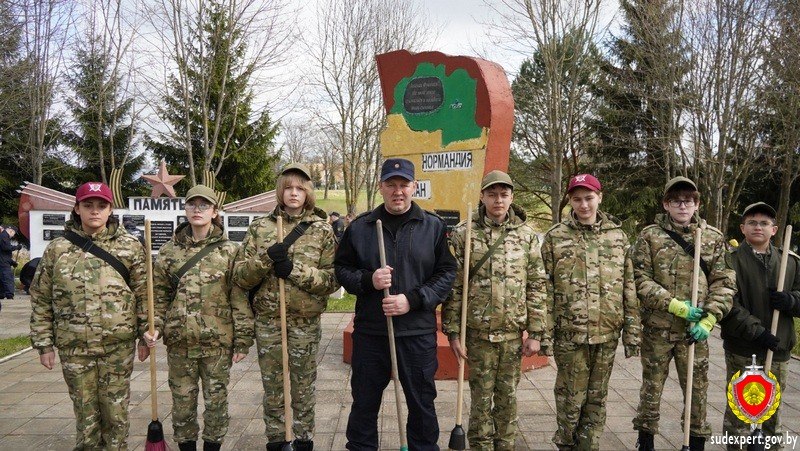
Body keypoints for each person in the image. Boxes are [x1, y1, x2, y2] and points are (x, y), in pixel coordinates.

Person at [335, 157, 457, 451]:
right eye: (391, 184)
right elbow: (342, 270)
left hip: (417, 333)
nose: (398, 191)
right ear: (381, 187)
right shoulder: (361, 227)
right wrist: (369, 280)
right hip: (372, 332)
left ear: (414, 187)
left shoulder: (433, 227)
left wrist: (412, 300)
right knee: (364, 402)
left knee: (422, 402)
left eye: (404, 184)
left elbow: (446, 273)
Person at [29, 181, 148, 450]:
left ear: (110, 210)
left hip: (116, 346)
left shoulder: (129, 247)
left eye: (101, 205)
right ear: (77, 209)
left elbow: (144, 294)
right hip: (75, 347)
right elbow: (41, 298)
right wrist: (44, 344)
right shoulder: (57, 249)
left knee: (116, 412)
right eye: (88, 205)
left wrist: (145, 335)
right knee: (85, 413)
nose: (95, 211)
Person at [232, 163, 339, 451]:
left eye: (300, 189)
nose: (293, 193)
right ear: (280, 191)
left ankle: (303, 440)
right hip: (269, 322)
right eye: (288, 187)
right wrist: (266, 258)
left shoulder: (321, 230)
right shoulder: (260, 228)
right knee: (273, 389)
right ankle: (277, 440)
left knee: (303, 387)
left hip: (305, 323)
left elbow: (332, 281)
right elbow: (240, 276)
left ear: (308, 193)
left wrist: (294, 270)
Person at [442, 170, 549, 450]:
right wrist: (453, 332)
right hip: (478, 335)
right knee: (480, 400)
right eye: (492, 194)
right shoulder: (464, 233)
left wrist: (536, 332)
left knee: (507, 399)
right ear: (482, 196)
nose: (498, 200)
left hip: (512, 335)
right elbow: (454, 287)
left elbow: (537, 285)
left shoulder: (526, 236)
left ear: (512, 197)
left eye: (503, 194)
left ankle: (505, 445)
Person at [143, 184, 254, 451]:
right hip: (180, 342)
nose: (197, 209)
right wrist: (154, 326)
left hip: (217, 343)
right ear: (185, 209)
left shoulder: (230, 251)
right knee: (182, 405)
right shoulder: (169, 251)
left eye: (204, 205)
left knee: (216, 404)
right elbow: (158, 295)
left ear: (214, 212)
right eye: (192, 204)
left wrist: (243, 340)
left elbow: (239, 297)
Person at [631, 176, 736, 451]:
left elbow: (724, 282)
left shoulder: (712, 238)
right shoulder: (650, 236)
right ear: (666, 204)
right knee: (651, 387)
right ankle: (646, 440)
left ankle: (696, 440)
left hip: (694, 332)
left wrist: (710, 317)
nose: (682, 206)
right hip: (658, 328)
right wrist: (673, 304)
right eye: (676, 201)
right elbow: (639, 278)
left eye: (688, 201)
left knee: (696, 389)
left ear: (696, 204)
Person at [540, 174, 641, 451]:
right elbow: (544, 289)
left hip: (606, 334)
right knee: (570, 399)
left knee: (597, 400)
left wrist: (632, 333)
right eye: (577, 199)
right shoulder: (555, 237)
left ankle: (589, 446)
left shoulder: (617, 237)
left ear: (600, 197)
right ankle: (566, 444)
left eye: (589, 198)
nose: (584, 205)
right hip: (569, 335)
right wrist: (544, 333)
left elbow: (629, 287)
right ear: (570, 201)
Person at [720, 202, 800, 450]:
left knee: (771, 413)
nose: (758, 227)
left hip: (778, 349)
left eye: (764, 223)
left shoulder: (790, 261)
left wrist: (791, 301)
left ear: (774, 230)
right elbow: (727, 304)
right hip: (743, 349)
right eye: (752, 222)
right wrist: (757, 331)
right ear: (742, 228)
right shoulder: (730, 261)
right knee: (740, 413)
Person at [0, 225, 22, 300]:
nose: (13, 235)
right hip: (3, 263)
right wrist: (16, 247)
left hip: (3, 261)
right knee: (7, 278)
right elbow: (6, 248)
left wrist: (12, 262)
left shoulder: (3, 236)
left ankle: (1, 294)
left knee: (2, 278)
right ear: (11, 231)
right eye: (14, 233)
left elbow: (4, 254)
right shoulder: (4, 236)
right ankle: (9, 294)